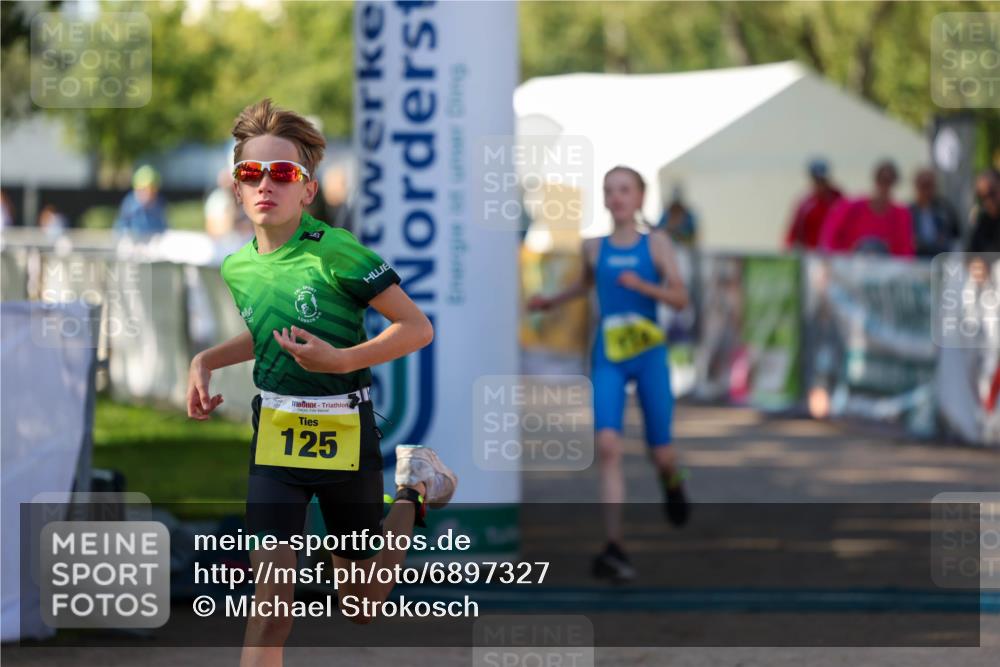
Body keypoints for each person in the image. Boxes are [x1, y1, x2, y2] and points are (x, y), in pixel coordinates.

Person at [185, 98, 457, 666]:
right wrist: (207, 359)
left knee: (360, 605)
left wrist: (339, 361)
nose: (265, 183)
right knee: (269, 613)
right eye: (251, 172)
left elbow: (417, 328)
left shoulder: (337, 252)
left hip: (345, 434)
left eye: (283, 173)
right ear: (236, 188)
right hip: (276, 439)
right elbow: (268, 333)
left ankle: (413, 489)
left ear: (308, 189)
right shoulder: (238, 267)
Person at [528, 165, 691, 583]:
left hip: (649, 354)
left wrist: (643, 286)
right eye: (609, 190)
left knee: (662, 453)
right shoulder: (593, 247)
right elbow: (586, 285)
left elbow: (680, 298)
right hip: (609, 355)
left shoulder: (656, 243)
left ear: (640, 197)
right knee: (608, 447)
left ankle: (672, 480)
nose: (616, 197)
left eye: (624, 190)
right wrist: (551, 301)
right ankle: (614, 546)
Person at [819, 159, 915, 257]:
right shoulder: (851, 206)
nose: (885, 186)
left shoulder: (901, 215)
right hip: (849, 263)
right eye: (882, 179)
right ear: (875, 179)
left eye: (889, 181)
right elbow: (829, 236)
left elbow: (905, 250)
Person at [784, 158, 843, 250]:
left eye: (822, 180)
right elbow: (793, 234)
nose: (820, 185)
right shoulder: (806, 205)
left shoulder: (841, 201)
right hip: (811, 254)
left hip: (836, 254)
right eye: (817, 180)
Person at [909, 168, 960, 258]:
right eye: (923, 186)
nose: (926, 191)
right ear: (917, 186)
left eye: (930, 186)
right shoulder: (909, 212)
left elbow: (955, 237)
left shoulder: (945, 209)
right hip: (917, 260)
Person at [113, 165, 168, 238]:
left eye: (152, 192)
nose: (148, 195)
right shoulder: (130, 204)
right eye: (144, 191)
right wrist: (125, 234)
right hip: (134, 239)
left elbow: (163, 224)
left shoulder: (159, 203)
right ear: (136, 190)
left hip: (153, 237)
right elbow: (122, 224)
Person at [967, 170, 1000, 254]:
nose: (988, 201)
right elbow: (971, 251)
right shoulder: (984, 221)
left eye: (991, 193)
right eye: (981, 197)